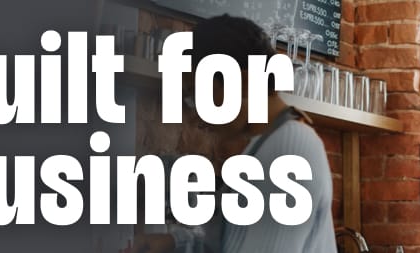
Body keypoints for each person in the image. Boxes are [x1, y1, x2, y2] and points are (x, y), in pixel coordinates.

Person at [132, 14, 337, 253]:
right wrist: (173, 243)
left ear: (243, 82)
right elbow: (225, 243)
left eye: (199, 94)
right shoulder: (262, 148)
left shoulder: (291, 148)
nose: (197, 111)